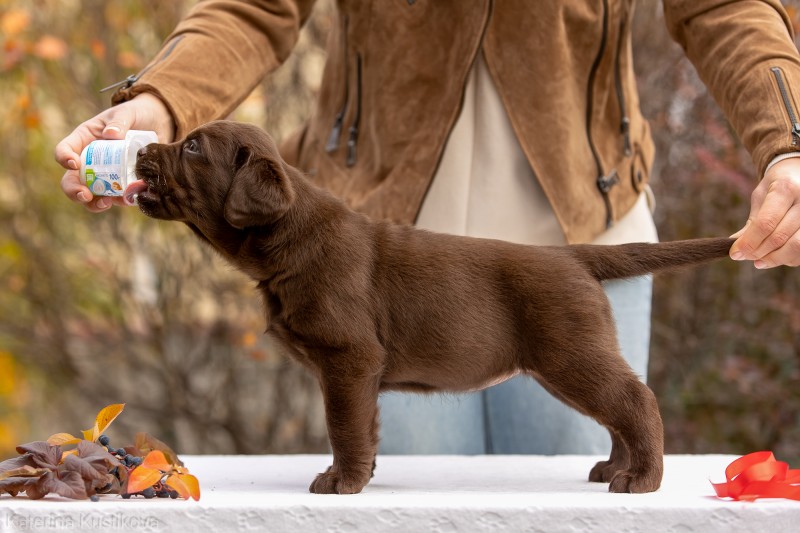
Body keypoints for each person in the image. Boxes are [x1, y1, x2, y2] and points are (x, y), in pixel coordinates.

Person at [56, 1, 800, 455]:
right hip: (376, 261)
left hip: (582, 235)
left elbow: (728, 5)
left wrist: (787, 139)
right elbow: (253, 5)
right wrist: (164, 101)